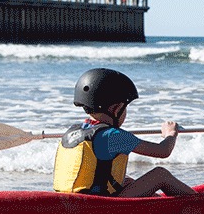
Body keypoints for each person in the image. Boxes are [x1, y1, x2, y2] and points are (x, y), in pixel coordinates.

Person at [53, 68, 196, 198]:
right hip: (102, 206)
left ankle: (158, 202)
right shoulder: (113, 135)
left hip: (75, 201)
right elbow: (163, 151)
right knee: (160, 174)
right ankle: (201, 203)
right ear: (116, 109)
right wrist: (170, 134)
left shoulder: (72, 131)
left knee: (125, 180)